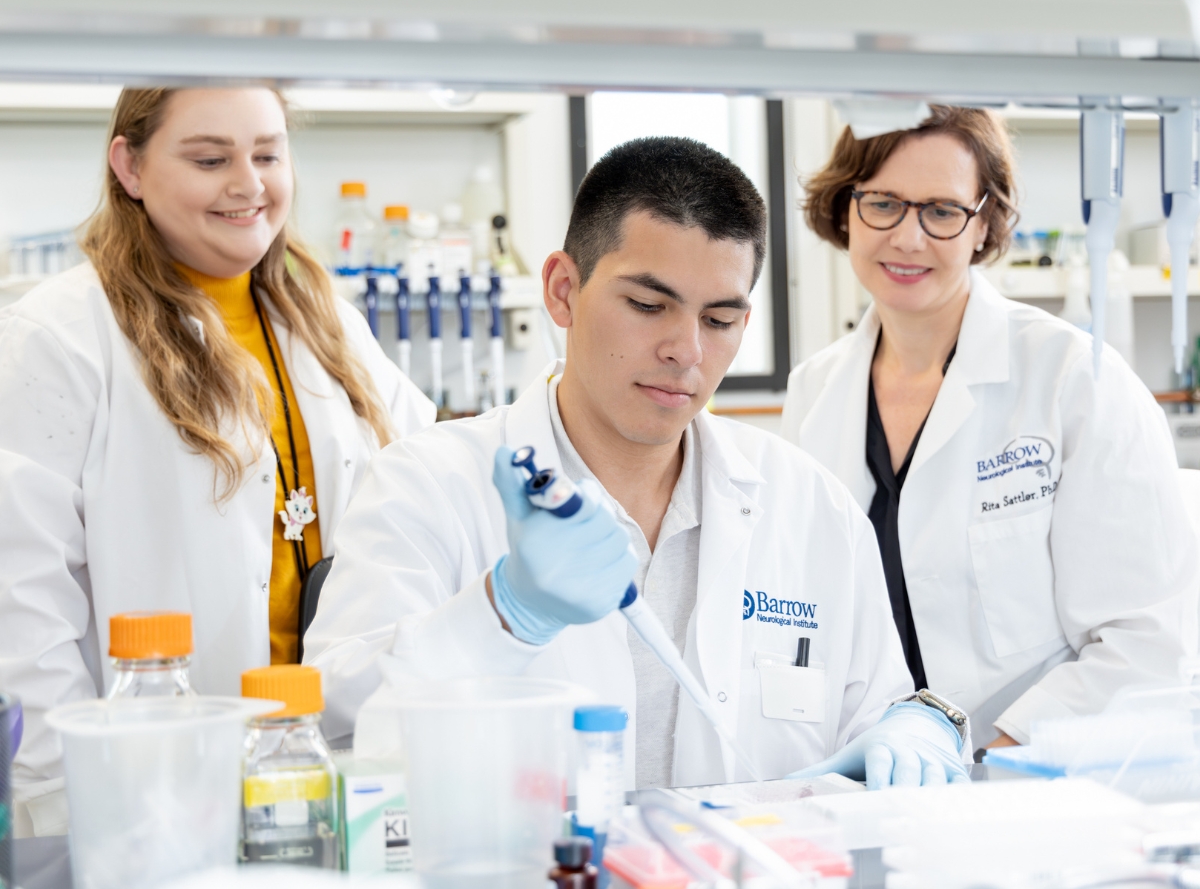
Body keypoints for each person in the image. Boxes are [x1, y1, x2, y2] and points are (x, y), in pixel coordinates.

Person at [304, 137, 969, 790]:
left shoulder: (812, 507)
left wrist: (910, 725)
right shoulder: (426, 487)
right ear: (563, 290)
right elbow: (333, 732)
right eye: (648, 306)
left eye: (719, 319)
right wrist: (505, 614)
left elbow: (875, 724)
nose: (687, 352)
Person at [0, 86, 435, 835]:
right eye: (210, 158)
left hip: (326, 766)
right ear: (128, 167)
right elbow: (19, 601)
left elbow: (424, 479)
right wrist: (68, 794)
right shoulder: (59, 335)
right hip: (146, 789)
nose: (248, 183)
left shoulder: (325, 320)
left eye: (268, 154)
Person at [780, 105, 1197, 754]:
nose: (908, 238)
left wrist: (983, 761)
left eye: (942, 211)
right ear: (844, 209)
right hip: (863, 771)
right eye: (883, 202)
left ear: (985, 225)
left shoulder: (1074, 381)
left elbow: (1146, 641)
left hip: (1023, 781)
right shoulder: (813, 393)